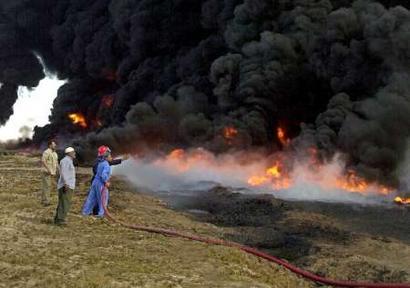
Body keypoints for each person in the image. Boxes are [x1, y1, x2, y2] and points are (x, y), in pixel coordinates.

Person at [82, 146, 112, 217]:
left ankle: (85, 212)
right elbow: (104, 174)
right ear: (106, 156)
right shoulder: (106, 164)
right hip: (101, 184)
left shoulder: (100, 163)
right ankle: (101, 214)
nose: (111, 156)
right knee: (103, 199)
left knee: (91, 198)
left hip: (95, 182)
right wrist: (106, 182)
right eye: (110, 155)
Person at [54, 147, 76, 226]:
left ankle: (58, 219)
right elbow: (64, 173)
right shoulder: (66, 161)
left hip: (67, 185)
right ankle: (60, 220)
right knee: (64, 203)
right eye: (73, 152)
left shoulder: (68, 161)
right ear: (69, 153)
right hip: (66, 185)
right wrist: (66, 183)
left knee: (63, 202)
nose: (75, 153)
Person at [41, 140, 59, 206]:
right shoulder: (46, 152)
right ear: (50, 145)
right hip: (46, 172)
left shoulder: (54, 153)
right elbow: (43, 161)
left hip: (52, 172)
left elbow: (56, 163)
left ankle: (44, 200)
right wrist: (49, 170)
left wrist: (59, 170)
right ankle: (46, 202)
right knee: (47, 186)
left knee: (48, 186)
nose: (55, 145)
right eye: (54, 144)